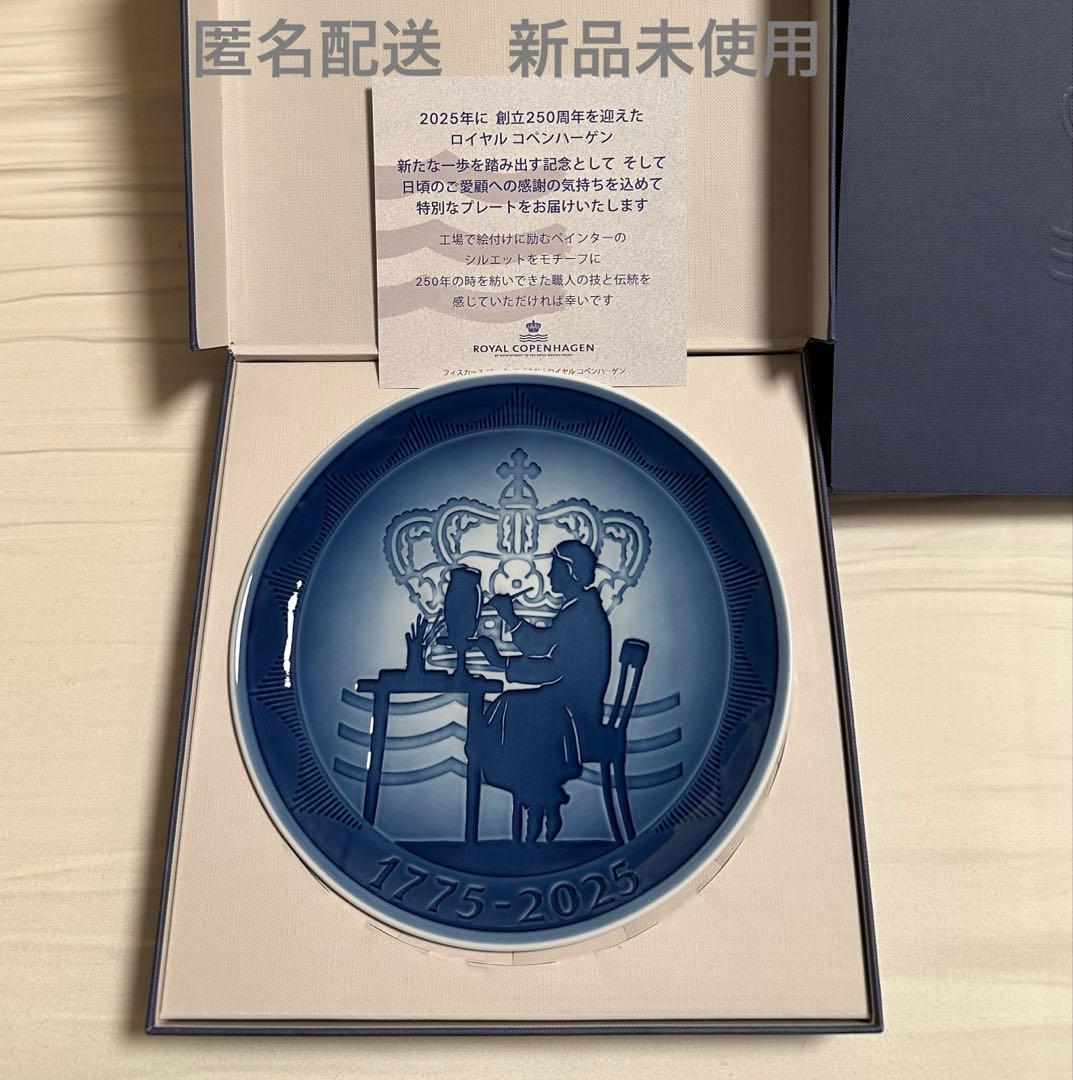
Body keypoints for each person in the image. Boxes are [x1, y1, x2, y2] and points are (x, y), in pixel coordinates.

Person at [470, 540, 612, 843]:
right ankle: (538, 795)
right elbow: (543, 646)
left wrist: (501, 659)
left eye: (554, 568)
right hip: (564, 705)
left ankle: (536, 795)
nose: (548, 575)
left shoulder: (582, 614)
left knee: (512, 707)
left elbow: (552, 668)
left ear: (571, 573)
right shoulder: (577, 609)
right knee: (513, 707)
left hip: (576, 713)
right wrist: (509, 625)